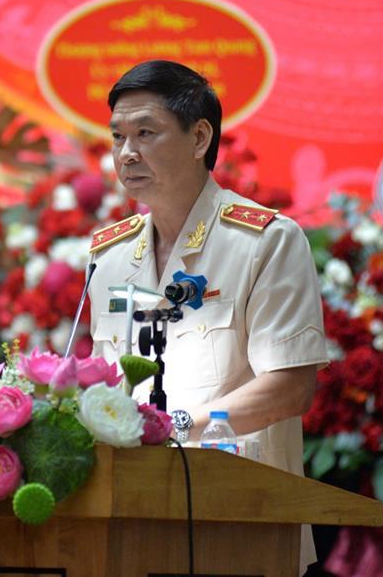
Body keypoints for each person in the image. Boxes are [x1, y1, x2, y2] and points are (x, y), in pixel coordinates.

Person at [86, 59, 329, 575]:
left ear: (200, 139)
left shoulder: (265, 242)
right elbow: (100, 389)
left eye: (146, 133)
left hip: (240, 522)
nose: (127, 153)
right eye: (117, 137)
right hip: (128, 524)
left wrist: (168, 428)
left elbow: (289, 387)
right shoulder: (108, 257)